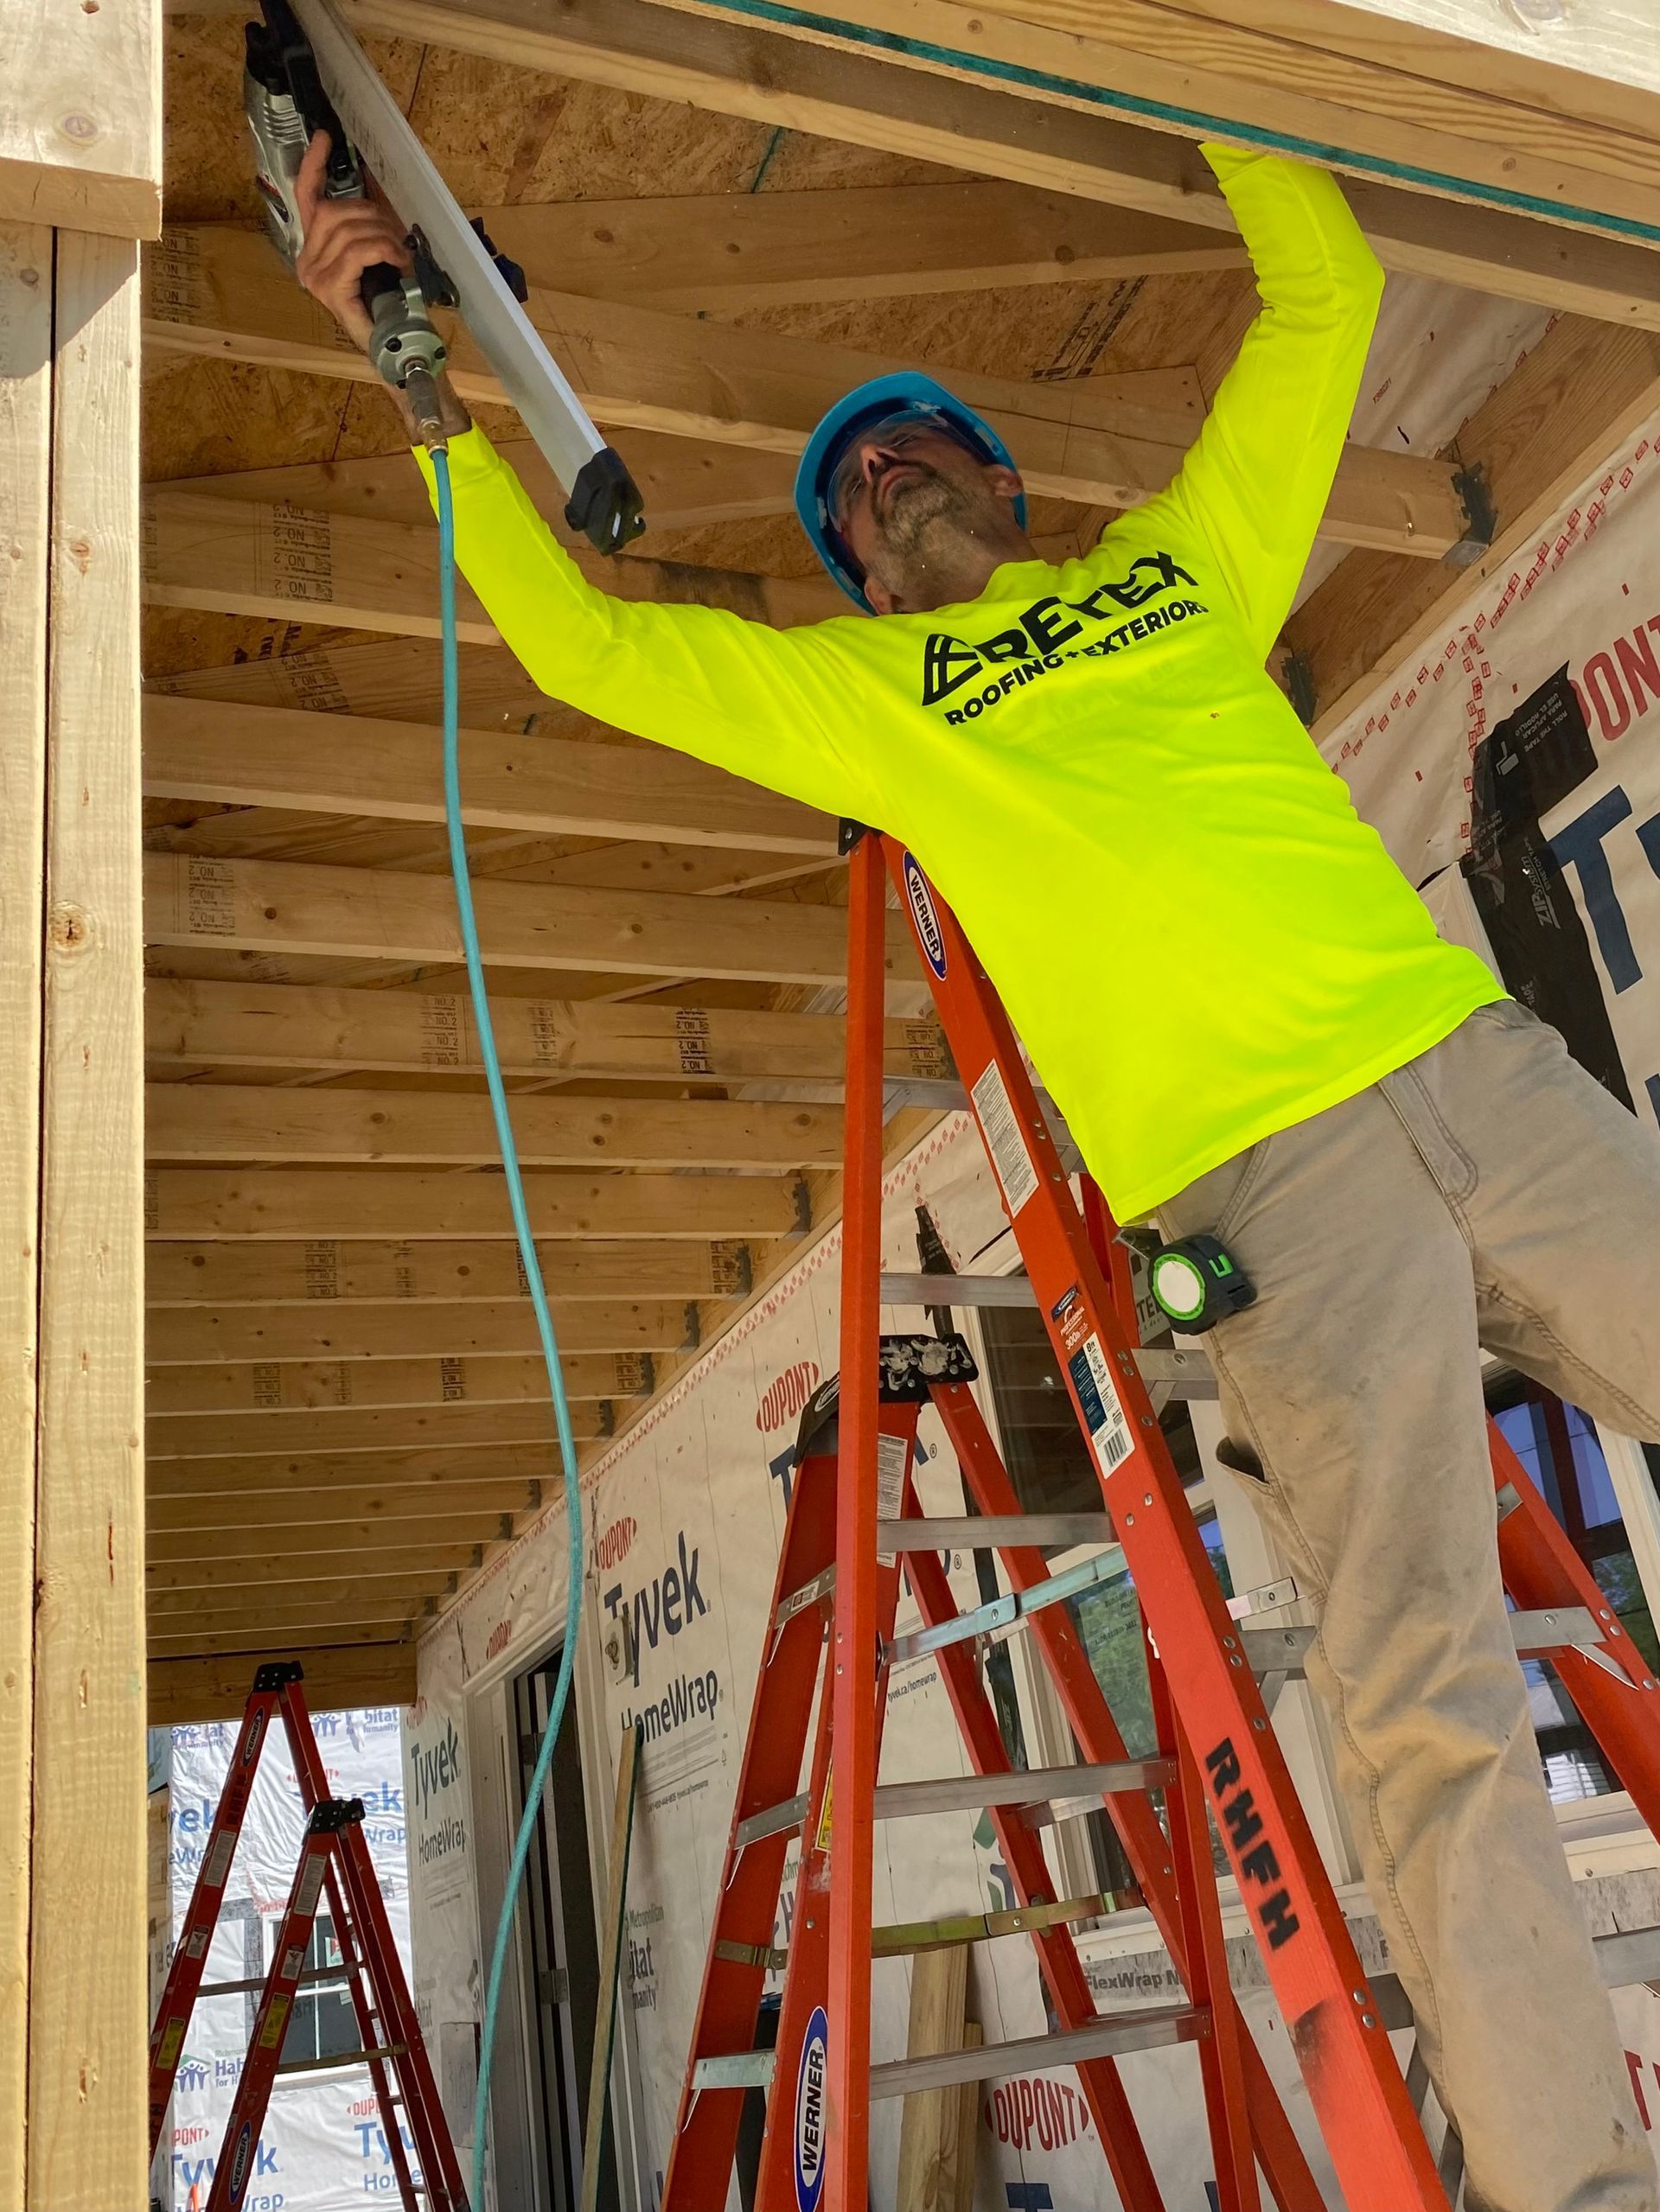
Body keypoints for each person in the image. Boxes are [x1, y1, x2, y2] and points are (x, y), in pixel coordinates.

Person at [295, 126, 1660, 2210]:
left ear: (1007, 488)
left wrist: (1204, 68)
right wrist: (417, 387)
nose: (875, 477)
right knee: (1434, 1710)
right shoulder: (878, 699)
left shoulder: (1172, 575)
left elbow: (1328, 303)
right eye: (846, 487)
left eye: (911, 443)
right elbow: (589, 651)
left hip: (1469, 1059)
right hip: (1268, 1190)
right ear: (850, 572)